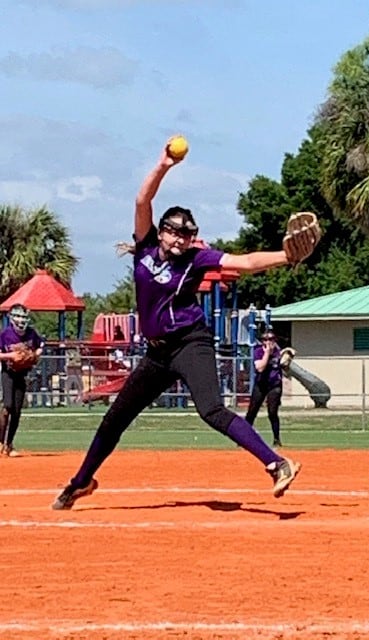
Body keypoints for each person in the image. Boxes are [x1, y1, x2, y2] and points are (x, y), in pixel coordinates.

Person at [52, 139, 317, 510]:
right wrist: (163, 166)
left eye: (186, 233)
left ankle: (278, 464)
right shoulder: (144, 249)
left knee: (211, 410)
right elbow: (142, 202)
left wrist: (285, 256)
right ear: (160, 232)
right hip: (157, 354)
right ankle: (81, 482)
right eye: (174, 231)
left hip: (191, 342)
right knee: (115, 418)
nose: (180, 238)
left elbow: (244, 262)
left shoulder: (195, 259)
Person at [0, 304, 44, 456]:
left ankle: (9, 445)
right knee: (8, 407)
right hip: (8, 373)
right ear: (11, 318)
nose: (21, 320)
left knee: (17, 411)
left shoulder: (31, 333)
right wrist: (10, 356)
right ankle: (0, 442)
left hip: (22, 374)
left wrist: (35, 355)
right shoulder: (5, 334)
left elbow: (40, 346)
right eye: (18, 316)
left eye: (24, 317)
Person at [245, 330, 283, 447]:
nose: (268, 342)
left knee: (272, 412)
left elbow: (284, 369)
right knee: (252, 412)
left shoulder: (279, 352)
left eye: (271, 339)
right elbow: (260, 368)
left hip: (274, 385)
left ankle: (277, 439)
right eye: (265, 340)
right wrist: (267, 353)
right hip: (261, 385)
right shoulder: (258, 352)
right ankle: (244, 438)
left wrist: (287, 360)